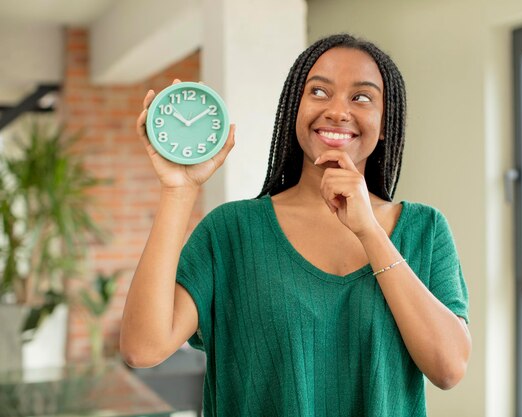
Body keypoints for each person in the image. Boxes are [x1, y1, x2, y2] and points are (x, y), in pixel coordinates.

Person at [120, 33, 471, 417]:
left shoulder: (425, 229)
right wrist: (178, 190)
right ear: (294, 109)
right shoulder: (231, 232)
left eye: (361, 97)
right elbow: (143, 349)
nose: (338, 111)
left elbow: (449, 368)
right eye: (319, 92)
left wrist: (370, 230)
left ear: (386, 123)